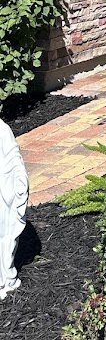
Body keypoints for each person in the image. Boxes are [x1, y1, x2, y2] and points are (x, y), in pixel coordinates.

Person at [0, 119, 28, 299]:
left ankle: (6, 277)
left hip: (3, 193)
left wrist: (19, 178)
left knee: (5, 234)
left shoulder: (2, 130)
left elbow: (13, 156)